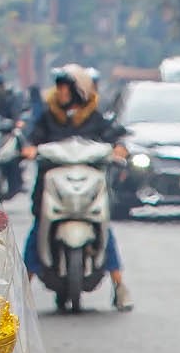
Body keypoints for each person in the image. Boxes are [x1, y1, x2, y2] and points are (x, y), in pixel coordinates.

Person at [21, 64, 131, 310]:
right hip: (53, 189)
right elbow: (32, 137)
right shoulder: (48, 115)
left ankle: (119, 285)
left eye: (66, 88)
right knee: (38, 228)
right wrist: (29, 148)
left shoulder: (95, 115)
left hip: (88, 189)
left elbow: (114, 135)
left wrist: (119, 148)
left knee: (104, 226)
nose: (61, 93)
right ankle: (22, 290)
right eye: (59, 87)